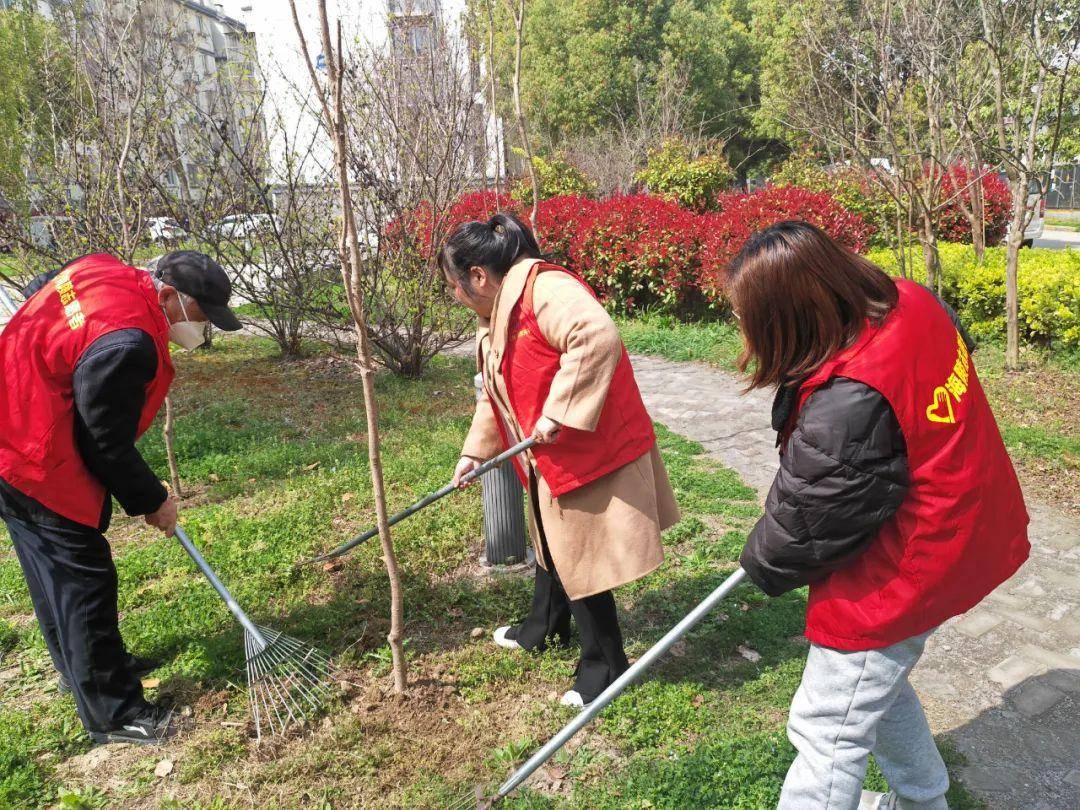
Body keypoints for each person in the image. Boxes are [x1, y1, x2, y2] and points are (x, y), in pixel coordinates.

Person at [726, 222, 1029, 809]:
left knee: (825, 730)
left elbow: (805, 525)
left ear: (792, 314)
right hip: (965, 521)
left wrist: (757, 561)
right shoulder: (909, 299)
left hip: (906, 569)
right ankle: (924, 802)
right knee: (877, 690)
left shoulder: (851, 398)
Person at [0, 250, 242, 745]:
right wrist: (153, 499)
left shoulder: (103, 270)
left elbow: (45, 287)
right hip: (28, 451)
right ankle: (113, 714)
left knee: (54, 576)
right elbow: (104, 441)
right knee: (81, 577)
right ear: (171, 296)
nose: (203, 330)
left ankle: (88, 669)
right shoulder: (128, 343)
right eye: (201, 317)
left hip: (14, 419)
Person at [441, 212, 680, 708]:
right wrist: (473, 453)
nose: (455, 295)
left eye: (454, 285)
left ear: (478, 276)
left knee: (578, 554)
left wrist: (558, 412)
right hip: (547, 454)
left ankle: (606, 663)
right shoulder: (497, 314)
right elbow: (495, 392)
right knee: (550, 537)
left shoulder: (544, 291)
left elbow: (596, 336)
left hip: (585, 447)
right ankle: (546, 625)